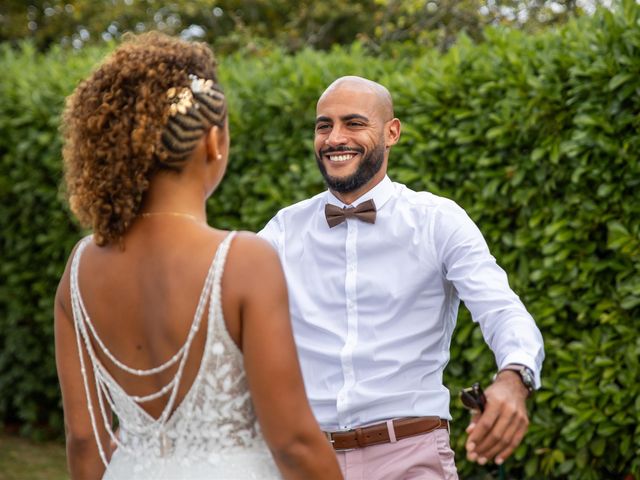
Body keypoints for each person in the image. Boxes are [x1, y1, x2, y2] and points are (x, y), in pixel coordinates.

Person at [54, 32, 342, 480]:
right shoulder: (244, 259)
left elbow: (84, 441)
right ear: (213, 141)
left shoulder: (79, 268)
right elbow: (295, 444)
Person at [259, 76, 545, 479]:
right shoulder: (283, 229)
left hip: (412, 458)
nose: (335, 138)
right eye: (324, 125)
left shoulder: (437, 220)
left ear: (391, 132)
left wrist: (514, 378)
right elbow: (218, 304)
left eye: (354, 123)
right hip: (303, 462)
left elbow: (501, 309)